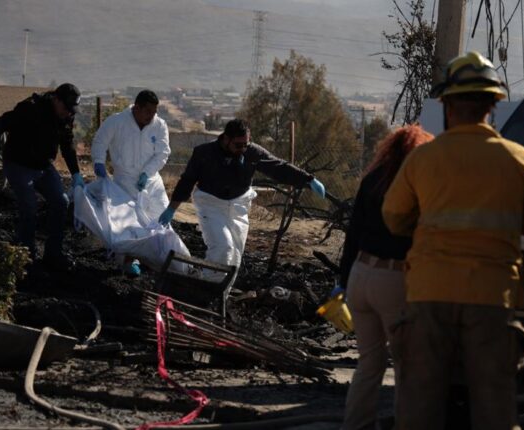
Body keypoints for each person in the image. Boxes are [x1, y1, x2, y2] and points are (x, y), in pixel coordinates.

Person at [381, 51, 524, 430]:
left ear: (448, 105)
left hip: (429, 294)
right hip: (493, 298)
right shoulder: (520, 160)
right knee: (494, 405)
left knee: (420, 404)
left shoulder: (424, 159)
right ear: (492, 105)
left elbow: (393, 217)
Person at [337, 125, 433, 430]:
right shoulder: (414, 182)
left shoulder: (372, 180)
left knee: (369, 363)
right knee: (408, 365)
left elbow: (352, 236)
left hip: (360, 275)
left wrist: (342, 280)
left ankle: (355, 425)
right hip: (393, 278)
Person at [158, 119, 325, 277]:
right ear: (226, 139)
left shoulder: (251, 152)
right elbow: (187, 181)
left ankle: (223, 291)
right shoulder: (204, 153)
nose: (243, 149)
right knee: (223, 247)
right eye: (238, 145)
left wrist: (307, 180)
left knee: (236, 252)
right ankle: (208, 286)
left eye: (246, 144)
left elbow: (278, 167)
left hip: (239, 206)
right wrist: (172, 208)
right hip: (211, 204)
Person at [0, 83, 84, 271]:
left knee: (61, 202)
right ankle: (25, 255)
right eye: (66, 108)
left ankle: (53, 254)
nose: (69, 113)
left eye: (72, 110)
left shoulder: (66, 116)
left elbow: (67, 144)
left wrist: (76, 173)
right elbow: (2, 122)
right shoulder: (30, 108)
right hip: (18, 164)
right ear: (56, 100)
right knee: (29, 206)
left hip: (43, 166)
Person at [91, 90, 170, 276]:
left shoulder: (159, 125)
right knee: (128, 223)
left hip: (151, 181)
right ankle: (128, 260)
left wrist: (147, 173)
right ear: (137, 108)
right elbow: (100, 142)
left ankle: (158, 258)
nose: (152, 116)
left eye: (154, 111)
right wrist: (98, 162)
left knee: (160, 219)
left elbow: (162, 153)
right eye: (148, 111)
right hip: (124, 181)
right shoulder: (116, 122)